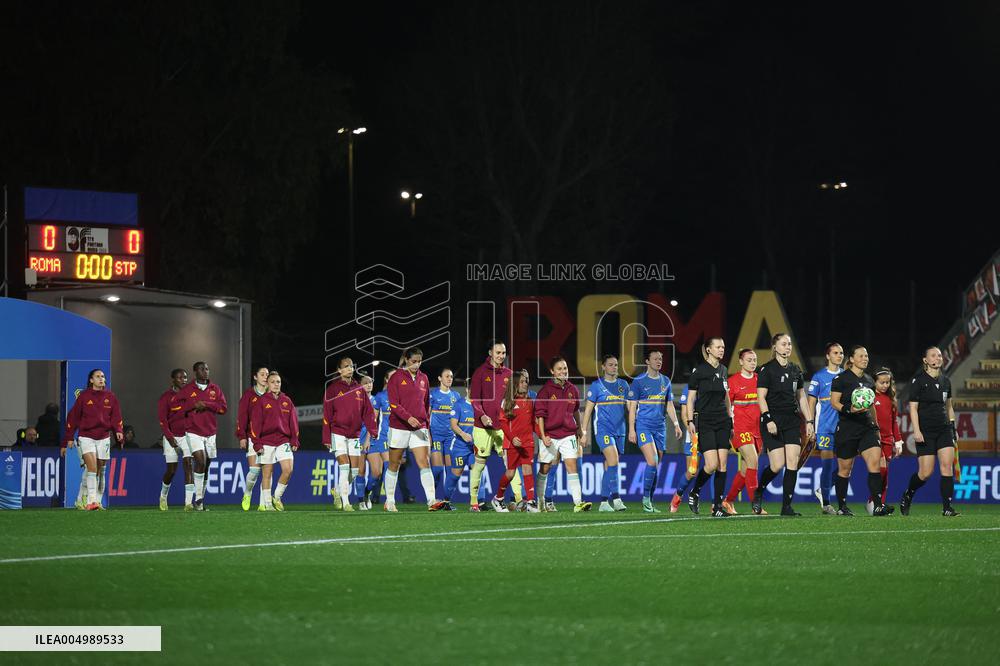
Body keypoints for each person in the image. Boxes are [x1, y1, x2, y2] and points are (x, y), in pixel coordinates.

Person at [753, 333, 814, 516]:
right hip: (772, 420)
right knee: (777, 465)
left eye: (789, 344)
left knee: (792, 462)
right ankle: (759, 491)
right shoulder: (766, 370)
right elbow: (761, 397)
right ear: (775, 347)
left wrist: (809, 420)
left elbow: (801, 397)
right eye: (784, 344)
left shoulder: (796, 370)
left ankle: (786, 507)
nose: (787, 347)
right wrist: (768, 419)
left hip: (792, 420)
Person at [829, 345, 893, 516]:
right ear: (851, 359)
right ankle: (842, 507)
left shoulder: (869, 381)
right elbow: (834, 402)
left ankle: (878, 505)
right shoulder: (840, 379)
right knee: (845, 469)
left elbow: (871, 406)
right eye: (861, 356)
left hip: (867, 427)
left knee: (874, 465)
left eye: (866, 356)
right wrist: (850, 410)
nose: (865, 359)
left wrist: (876, 426)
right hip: (847, 427)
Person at [383, 347, 447, 512]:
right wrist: (407, 417)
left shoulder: (424, 378)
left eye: (419, 361)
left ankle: (431, 500)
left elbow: (425, 405)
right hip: (399, 427)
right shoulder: (396, 377)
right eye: (413, 361)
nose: (417, 364)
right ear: (406, 359)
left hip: (419, 427)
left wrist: (424, 423)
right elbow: (394, 404)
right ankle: (390, 501)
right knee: (394, 464)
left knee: (424, 462)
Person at [900, 346, 959, 516]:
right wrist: (916, 431)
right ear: (925, 360)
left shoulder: (946, 381)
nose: (938, 358)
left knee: (947, 467)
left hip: (944, 430)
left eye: (940, 355)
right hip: (925, 431)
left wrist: (953, 428)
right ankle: (908, 494)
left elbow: (949, 407)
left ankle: (947, 508)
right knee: (925, 473)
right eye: (933, 355)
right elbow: (913, 409)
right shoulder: (918, 381)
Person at [468, 340, 522, 511]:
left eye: (503, 353)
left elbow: (515, 400)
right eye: (498, 352)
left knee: (511, 463)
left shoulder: (509, 374)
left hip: (504, 427)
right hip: (483, 427)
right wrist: (482, 416)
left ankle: (520, 500)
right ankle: (474, 502)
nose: (501, 356)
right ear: (490, 353)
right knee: (480, 463)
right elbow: (475, 400)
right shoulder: (480, 373)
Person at [627, 350, 682, 513]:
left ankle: (650, 500)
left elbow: (669, 405)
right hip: (643, 426)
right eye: (655, 359)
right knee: (652, 461)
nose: (659, 361)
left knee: (656, 464)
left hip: (660, 427)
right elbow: (632, 407)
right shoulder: (638, 382)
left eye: (661, 358)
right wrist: (632, 429)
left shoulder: (665, 380)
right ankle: (645, 499)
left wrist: (676, 424)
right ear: (647, 361)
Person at [686, 338, 736, 517]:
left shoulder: (723, 369)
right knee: (712, 464)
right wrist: (690, 421)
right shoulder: (698, 371)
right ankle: (695, 491)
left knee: (723, 464)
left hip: (722, 420)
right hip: (706, 421)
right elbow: (691, 399)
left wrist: (731, 420)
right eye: (718, 347)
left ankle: (717, 507)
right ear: (708, 349)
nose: (722, 350)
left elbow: (727, 397)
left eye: (723, 346)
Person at [62, 369, 124, 510]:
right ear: (91, 380)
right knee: (92, 468)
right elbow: (73, 417)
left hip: (103, 437)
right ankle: (91, 501)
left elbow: (116, 417)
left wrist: (119, 431)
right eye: (97, 376)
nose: (101, 379)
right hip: (86, 437)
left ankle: (95, 501)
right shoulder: (84, 396)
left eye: (102, 376)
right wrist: (69, 437)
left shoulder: (111, 396)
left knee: (101, 470)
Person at [536, 356, 591, 512]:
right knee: (545, 468)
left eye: (565, 368)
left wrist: (579, 430)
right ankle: (540, 501)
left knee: (571, 465)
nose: (563, 371)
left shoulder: (572, 389)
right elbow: (540, 415)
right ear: (552, 371)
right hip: (550, 435)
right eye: (559, 369)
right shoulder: (545, 391)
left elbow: (575, 412)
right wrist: (543, 435)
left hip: (568, 434)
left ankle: (578, 503)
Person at [323, 356, 378, 511]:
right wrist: (326, 437)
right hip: (337, 433)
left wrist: (373, 430)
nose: (349, 368)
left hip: (354, 434)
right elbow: (327, 416)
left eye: (351, 366)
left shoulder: (358, 389)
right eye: (345, 366)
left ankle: (338, 490)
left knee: (354, 472)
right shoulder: (332, 389)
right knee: (345, 466)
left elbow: (368, 412)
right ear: (339, 370)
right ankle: (346, 502)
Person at [581, 354, 629, 512]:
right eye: (610, 365)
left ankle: (609, 500)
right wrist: (584, 432)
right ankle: (609, 500)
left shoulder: (624, 385)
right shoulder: (596, 386)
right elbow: (588, 411)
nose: (614, 367)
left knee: (610, 464)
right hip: (603, 430)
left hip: (620, 431)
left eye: (616, 365)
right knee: (613, 460)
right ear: (603, 367)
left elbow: (630, 408)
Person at [721, 348, 764, 514]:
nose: (753, 363)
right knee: (753, 460)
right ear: (741, 361)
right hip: (740, 428)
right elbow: (726, 407)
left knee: (746, 469)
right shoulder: (733, 382)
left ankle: (728, 500)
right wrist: (729, 426)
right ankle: (756, 505)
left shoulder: (760, 380)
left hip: (757, 430)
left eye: (754, 360)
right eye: (749, 360)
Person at [181, 361, 228, 511]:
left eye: (207, 368)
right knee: (200, 461)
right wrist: (193, 406)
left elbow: (223, 409)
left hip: (210, 433)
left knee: (206, 466)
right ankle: (198, 499)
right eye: (202, 369)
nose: (205, 371)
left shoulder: (215, 389)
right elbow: (178, 408)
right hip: (193, 431)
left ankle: (200, 501)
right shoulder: (188, 389)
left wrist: (207, 404)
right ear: (195, 372)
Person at [250, 371, 299, 511]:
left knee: (288, 470)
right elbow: (255, 424)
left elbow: (293, 422)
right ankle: (267, 504)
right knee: (267, 473)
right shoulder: (261, 401)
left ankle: (276, 497)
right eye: (273, 382)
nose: (276, 384)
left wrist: (294, 440)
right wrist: (257, 443)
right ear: (267, 384)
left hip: (283, 440)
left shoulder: (287, 400)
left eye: (278, 382)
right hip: (266, 441)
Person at [494, 369, 540, 511]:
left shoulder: (530, 401)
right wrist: (512, 438)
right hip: (512, 443)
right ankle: (498, 498)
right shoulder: (507, 401)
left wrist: (542, 436)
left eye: (526, 381)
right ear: (514, 384)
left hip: (528, 442)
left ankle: (531, 502)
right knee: (511, 473)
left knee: (527, 470)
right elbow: (502, 422)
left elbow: (533, 423)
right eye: (521, 382)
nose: (525, 384)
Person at [807, 342, 844, 514]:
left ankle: (823, 489)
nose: (839, 355)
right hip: (825, 426)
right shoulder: (819, 377)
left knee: (846, 464)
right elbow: (811, 402)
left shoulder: (845, 376)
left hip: (844, 427)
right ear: (828, 356)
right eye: (835, 353)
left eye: (841, 353)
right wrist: (810, 425)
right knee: (828, 465)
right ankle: (827, 503)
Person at [443, 387, 490, 509]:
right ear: (467, 389)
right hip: (460, 446)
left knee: (478, 471)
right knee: (455, 475)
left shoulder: (480, 406)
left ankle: (480, 502)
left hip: (474, 447)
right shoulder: (459, 405)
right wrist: (463, 435)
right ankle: (446, 501)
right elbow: (453, 425)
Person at [157, 368, 192, 511]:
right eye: (180, 377)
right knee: (171, 471)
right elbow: (163, 420)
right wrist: (170, 437)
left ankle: (188, 503)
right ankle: (163, 496)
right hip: (171, 436)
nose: (183, 380)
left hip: (188, 436)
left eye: (185, 377)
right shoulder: (166, 397)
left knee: (189, 465)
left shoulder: (191, 395)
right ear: (173, 380)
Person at [871, 367, 904, 515]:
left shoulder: (891, 399)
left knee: (886, 475)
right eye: (882, 382)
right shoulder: (869, 397)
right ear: (874, 382)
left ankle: (881, 504)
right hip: (874, 439)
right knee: (881, 470)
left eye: (887, 383)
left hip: (888, 440)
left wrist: (898, 441)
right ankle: (873, 501)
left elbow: (894, 422)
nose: (885, 385)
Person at [236, 366, 269, 511]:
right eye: (262, 374)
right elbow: (242, 417)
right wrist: (242, 436)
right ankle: (247, 492)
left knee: (267, 471)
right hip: (252, 437)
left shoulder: (273, 394)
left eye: (267, 374)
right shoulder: (249, 395)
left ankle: (263, 503)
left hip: (269, 438)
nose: (265, 377)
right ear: (255, 377)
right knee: (254, 471)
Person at [363, 369, 395, 507]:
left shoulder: (403, 396)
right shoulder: (380, 397)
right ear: (387, 380)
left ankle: (389, 501)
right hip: (380, 437)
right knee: (378, 472)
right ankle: (365, 493)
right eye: (392, 377)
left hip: (395, 438)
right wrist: (368, 439)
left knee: (386, 470)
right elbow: (373, 420)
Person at [429, 368, 460, 500]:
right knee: (437, 470)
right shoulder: (433, 395)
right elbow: (426, 416)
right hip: (435, 435)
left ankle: (447, 501)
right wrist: (428, 435)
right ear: (439, 378)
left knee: (450, 471)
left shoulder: (456, 397)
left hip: (450, 438)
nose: (449, 379)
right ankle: (432, 497)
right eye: (446, 376)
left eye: (451, 377)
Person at [669, 385, 699, 513]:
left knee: (716, 466)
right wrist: (691, 431)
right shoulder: (689, 388)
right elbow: (684, 414)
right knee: (692, 471)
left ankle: (716, 503)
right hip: (694, 432)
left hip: (711, 430)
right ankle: (678, 496)